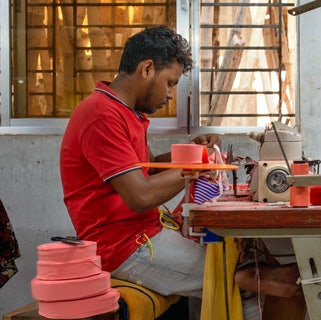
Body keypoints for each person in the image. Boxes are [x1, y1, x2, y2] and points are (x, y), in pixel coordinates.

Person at [59, 26, 299, 319]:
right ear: (147, 68)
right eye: (170, 82)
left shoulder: (124, 112)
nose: (170, 95)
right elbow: (140, 194)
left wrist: (192, 151)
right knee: (246, 281)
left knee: (241, 257)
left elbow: (142, 165)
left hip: (143, 233)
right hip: (123, 247)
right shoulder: (101, 116)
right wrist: (197, 166)